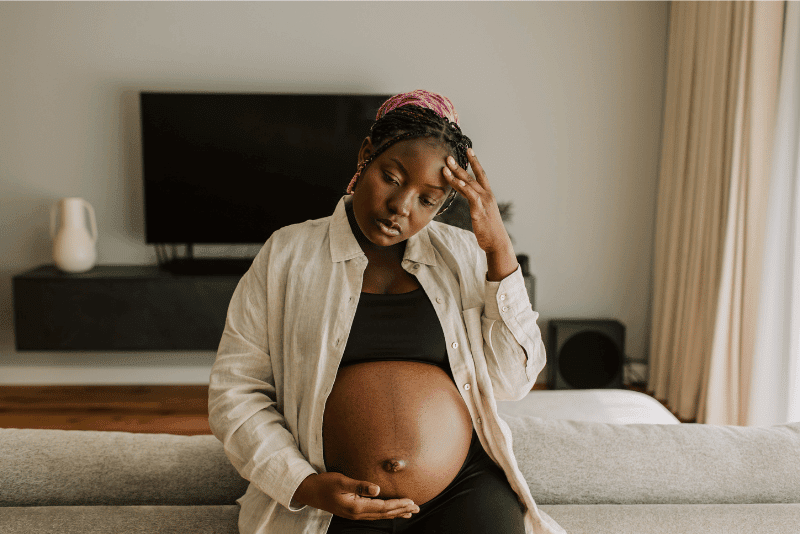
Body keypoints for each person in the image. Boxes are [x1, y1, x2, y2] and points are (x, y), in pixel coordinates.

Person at [208, 90, 565, 534]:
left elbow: (513, 381)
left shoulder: (464, 256)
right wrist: (305, 486)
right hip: (331, 500)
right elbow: (236, 392)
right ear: (365, 156)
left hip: (461, 489)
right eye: (392, 178)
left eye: (428, 200)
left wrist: (498, 251)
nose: (402, 206)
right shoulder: (288, 254)